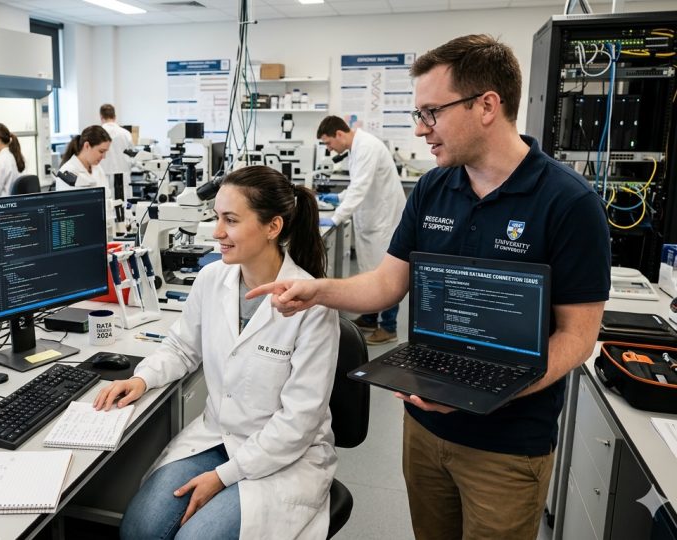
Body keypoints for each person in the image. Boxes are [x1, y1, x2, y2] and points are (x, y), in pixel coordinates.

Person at [249, 34, 610, 539]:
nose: (421, 130)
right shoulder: (434, 188)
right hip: (424, 427)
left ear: (487, 105)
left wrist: (490, 392)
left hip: (507, 443)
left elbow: (578, 336)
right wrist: (319, 291)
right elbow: (386, 284)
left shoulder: (569, 203)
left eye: (431, 113)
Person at [94, 166, 339, 539]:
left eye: (230, 220)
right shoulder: (212, 279)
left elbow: (298, 423)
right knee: (139, 529)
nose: (217, 232)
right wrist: (142, 378)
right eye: (216, 217)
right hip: (217, 437)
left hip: (284, 457)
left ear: (273, 227)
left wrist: (221, 478)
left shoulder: (313, 304)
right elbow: (181, 346)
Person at [316, 115, 406, 345]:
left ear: (339, 133)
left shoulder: (366, 147)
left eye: (328, 143)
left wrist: (336, 218)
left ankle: (388, 327)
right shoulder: (357, 148)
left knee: (385, 274)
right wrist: (338, 197)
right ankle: (369, 317)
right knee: (371, 271)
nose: (329, 148)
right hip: (372, 219)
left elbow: (359, 188)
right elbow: (356, 185)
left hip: (382, 221)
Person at [59, 125, 114, 234]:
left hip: (101, 228)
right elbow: (69, 212)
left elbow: (107, 197)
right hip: (78, 232)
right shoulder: (68, 172)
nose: (104, 157)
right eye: (101, 151)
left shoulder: (97, 168)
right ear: (87, 146)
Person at [98, 104, 134, 201]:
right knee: (124, 208)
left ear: (101, 117)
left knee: (106, 206)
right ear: (114, 116)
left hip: (103, 175)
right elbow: (132, 155)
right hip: (123, 177)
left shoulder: (98, 133)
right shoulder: (126, 133)